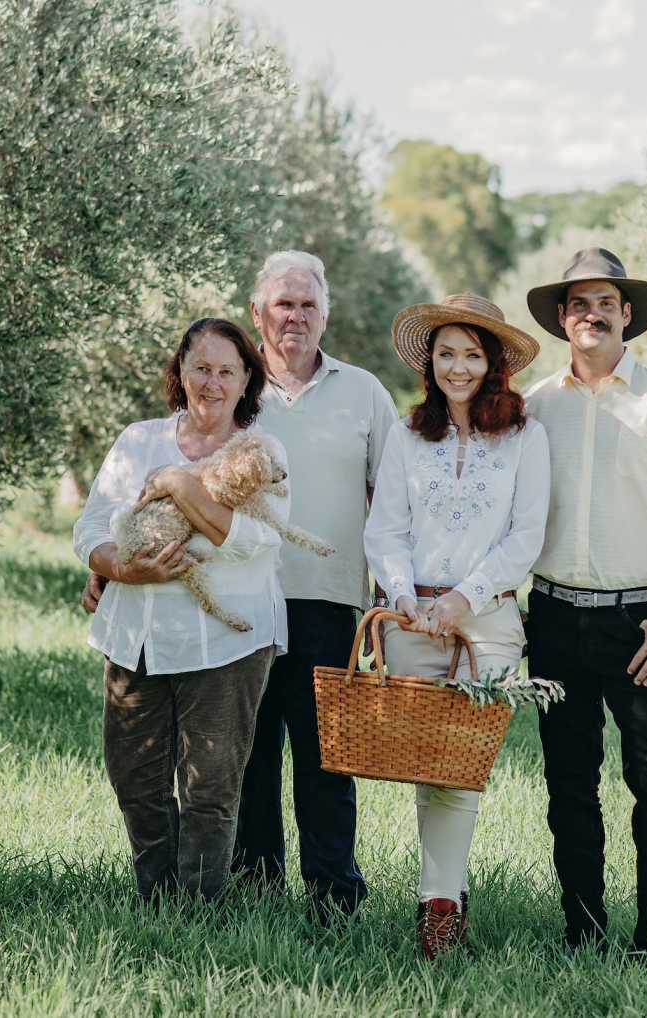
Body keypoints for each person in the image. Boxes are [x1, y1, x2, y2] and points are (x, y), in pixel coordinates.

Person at [521, 248, 647, 958]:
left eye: (605, 301)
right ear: (562, 319)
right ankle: (582, 933)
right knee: (569, 789)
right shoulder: (534, 408)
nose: (592, 313)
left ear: (627, 313)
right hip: (549, 621)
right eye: (578, 303)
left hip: (638, 625)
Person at [73, 318, 288, 905]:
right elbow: (89, 526)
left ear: (248, 379)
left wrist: (179, 484)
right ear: (181, 372)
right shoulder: (138, 440)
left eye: (227, 370)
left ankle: (199, 910)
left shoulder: (260, 451)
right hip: (136, 633)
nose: (212, 383)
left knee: (210, 785)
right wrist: (117, 567)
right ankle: (156, 898)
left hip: (229, 641)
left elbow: (253, 539)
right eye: (201, 367)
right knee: (135, 777)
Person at [364, 294, 550, 959]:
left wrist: (461, 601)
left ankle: (440, 910)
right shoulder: (406, 434)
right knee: (427, 766)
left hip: (487, 623)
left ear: (493, 361)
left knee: (457, 766)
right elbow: (383, 528)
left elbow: (525, 537)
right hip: (412, 620)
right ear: (430, 361)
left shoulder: (526, 436)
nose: (459, 366)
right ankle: (441, 904)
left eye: (472, 353)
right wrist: (407, 595)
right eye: (446, 353)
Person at [231, 250, 399, 920]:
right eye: (282, 304)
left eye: (306, 305)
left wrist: (394, 588)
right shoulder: (232, 390)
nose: (294, 316)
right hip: (242, 602)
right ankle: (254, 889)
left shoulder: (365, 393)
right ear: (257, 314)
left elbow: (393, 501)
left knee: (328, 758)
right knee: (248, 756)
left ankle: (334, 896)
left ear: (325, 314)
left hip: (331, 603)